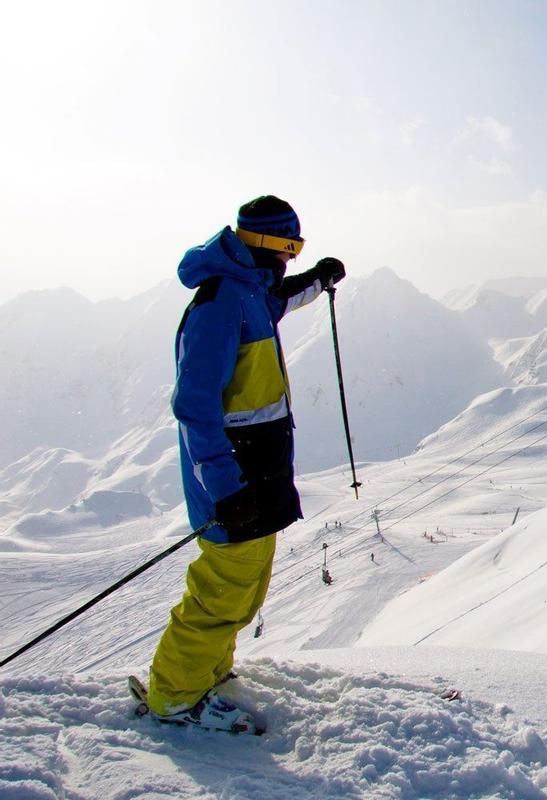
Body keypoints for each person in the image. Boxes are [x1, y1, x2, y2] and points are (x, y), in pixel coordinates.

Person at [143, 195, 345, 730]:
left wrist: (320, 280)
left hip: (262, 472)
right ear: (261, 242)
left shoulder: (252, 292)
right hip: (234, 478)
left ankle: (207, 672)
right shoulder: (219, 304)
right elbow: (193, 405)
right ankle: (173, 697)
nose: (292, 258)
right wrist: (225, 488)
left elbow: (280, 299)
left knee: (247, 589)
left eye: (298, 248)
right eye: (288, 245)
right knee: (221, 593)